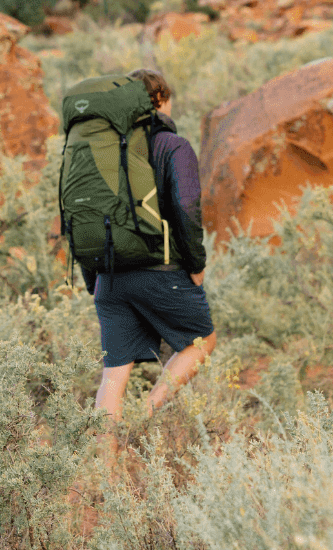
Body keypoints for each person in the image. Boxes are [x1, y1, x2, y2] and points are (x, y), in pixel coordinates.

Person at [87, 70, 218, 426]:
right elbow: (186, 204)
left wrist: (95, 280)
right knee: (201, 342)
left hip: (109, 276)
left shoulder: (103, 152)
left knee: (113, 376)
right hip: (161, 271)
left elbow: (83, 216)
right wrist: (195, 263)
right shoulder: (173, 147)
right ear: (159, 99)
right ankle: (144, 414)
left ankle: (105, 470)